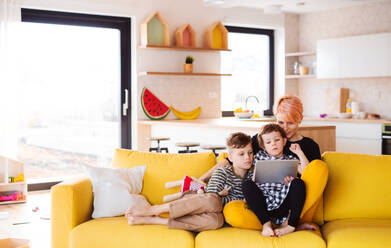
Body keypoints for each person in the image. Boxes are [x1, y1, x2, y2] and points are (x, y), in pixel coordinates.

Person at [199, 94, 328, 230]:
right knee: (246, 188)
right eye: (280, 122)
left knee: (299, 184)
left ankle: (292, 222)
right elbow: (232, 159)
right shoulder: (264, 139)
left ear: (300, 119)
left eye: (290, 123)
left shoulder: (309, 146)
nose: (284, 128)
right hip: (263, 200)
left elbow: (314, 179)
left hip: (290, 202)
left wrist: (295, 170)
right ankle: (269, 224)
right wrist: (202, 178)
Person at [125, 132, 254, 232]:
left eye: (250, 153)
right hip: (199, 202)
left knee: (215, 222)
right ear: (230, 157)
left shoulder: (253, 176)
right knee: (213, 201)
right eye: (241, 154)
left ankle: (157, 220)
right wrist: (225, 196)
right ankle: (154, 210)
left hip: (220, 215)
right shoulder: (223, 172)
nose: (247, 157)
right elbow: (209, 198)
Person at [242, 123, 306, 237]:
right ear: (263, 146)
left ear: (284, 141)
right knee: (247, 184)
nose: (273, 144)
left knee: (299, 183)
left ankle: (291, 225)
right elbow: (240, 160)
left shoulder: (290, 159)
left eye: (277, 140)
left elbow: (307, 171)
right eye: (268, 142)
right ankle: (266, 225)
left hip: (283, 204)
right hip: (263, 204)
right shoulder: (258, 157)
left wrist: (300, 153)